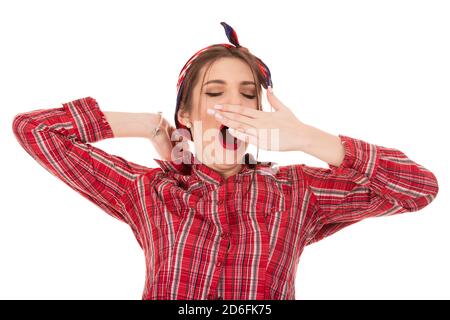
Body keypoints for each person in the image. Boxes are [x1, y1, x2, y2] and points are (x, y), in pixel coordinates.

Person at [12, 22, 439, 300]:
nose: (233, 104)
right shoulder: (149, 191)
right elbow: (35, 131)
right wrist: (148, 125)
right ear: (187, 114)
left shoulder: (297, 191)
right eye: (215, 94)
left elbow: (418, 189)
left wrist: (308, 138)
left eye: (248, 95)